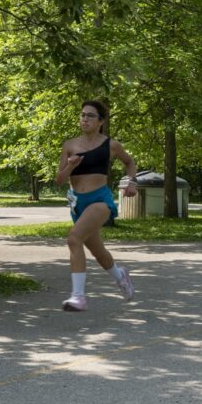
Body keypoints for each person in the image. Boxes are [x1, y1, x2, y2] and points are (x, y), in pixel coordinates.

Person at [54, 100, 138, 312]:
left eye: (90, 116)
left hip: (100, 200)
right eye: (82, 115)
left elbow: (129, 162)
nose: (85, 119)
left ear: (101, 121)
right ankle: (121, 276)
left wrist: (132, 181)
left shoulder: (111, 145)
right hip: (77, 204)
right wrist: (70, 166)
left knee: (74, 238)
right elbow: (60, 180)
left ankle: (78, 296)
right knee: (98, 252)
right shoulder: (70, 145)